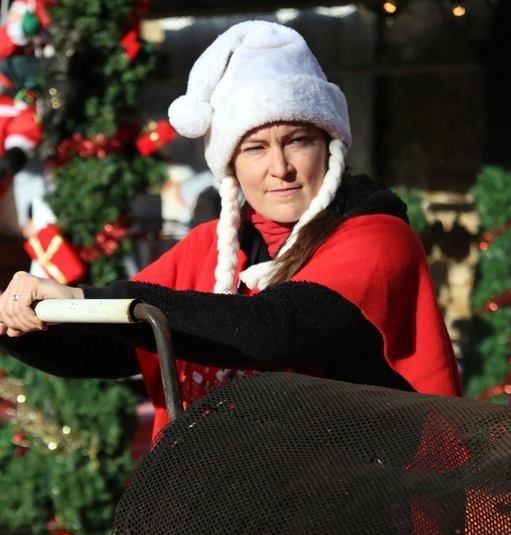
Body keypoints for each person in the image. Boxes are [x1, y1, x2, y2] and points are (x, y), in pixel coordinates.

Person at [0, 20, 461, 440]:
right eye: (256, 148)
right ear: (231, 167)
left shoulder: (377, 237)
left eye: (298, 141)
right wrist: (21, 320)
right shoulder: (210, 247)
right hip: (239, 510)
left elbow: (272, 330)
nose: (280, 168)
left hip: (371, 508)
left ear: (330, 147)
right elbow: (107, 350)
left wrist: (85, 299)